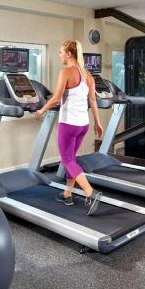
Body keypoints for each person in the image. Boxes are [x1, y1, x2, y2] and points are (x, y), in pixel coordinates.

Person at [35, 40, 104, 215]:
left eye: (61, 52)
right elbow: (93, 100)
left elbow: (56, 98)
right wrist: (98, 122)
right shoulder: (88, 75)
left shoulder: (65, 72)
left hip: (69, 124)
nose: (59, 55)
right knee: (71, 158)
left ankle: (90, 192)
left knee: (66, 160)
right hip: (83, 125)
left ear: (69, 54)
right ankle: (67, 193)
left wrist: (41, 110)